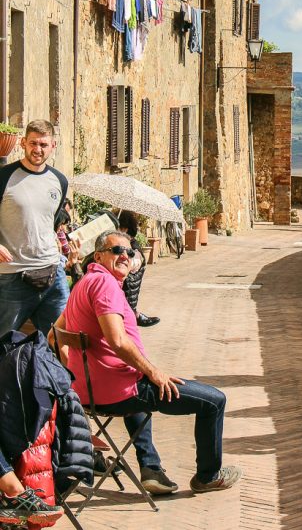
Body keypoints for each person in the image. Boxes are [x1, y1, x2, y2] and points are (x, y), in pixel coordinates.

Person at [53, 231, 241, 496]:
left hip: (88, 393)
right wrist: (154, 372)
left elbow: (54, 335)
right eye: (117, 251)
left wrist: (77, 373)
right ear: (98, 256)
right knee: (214, 401)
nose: (125, 257)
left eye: (129, 253)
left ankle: (151, 469)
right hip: (117, 392)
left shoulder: (83, 284)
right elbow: (117, 340)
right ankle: (208, 476)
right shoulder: (105, 286)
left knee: (137, 393)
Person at [0, 120, 69, 337]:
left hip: (53, 273)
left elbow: (52, 220)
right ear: (23, 143)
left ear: (53, 146)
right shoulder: (4, 177)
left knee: (61, 340)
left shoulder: (59, 181)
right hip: (14, 274)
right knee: (3, 341)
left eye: (43, 144)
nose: (37, 150)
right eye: (33, 143)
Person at [118, 210, 160, 328]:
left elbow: (125, 268)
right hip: (123, 305)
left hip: (126, 305)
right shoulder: (125, 248)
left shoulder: (135, 251)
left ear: (124, 229)